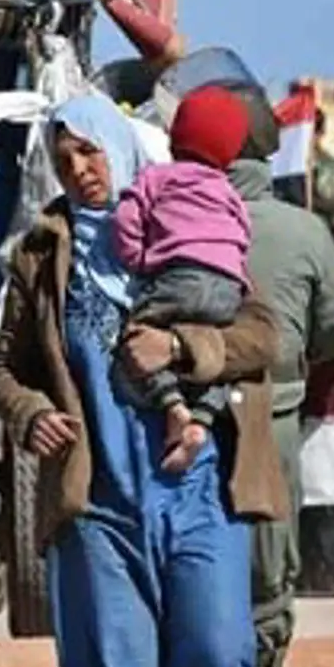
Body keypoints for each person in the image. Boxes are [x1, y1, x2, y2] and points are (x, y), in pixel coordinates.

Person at [0, 92, 287, 667]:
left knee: (218, 649)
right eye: (65, 157)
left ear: (120, 149)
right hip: (101, 499)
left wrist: (183, 347)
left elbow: (263, 337)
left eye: (90, 151)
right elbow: (5, 363)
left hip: (199, 492)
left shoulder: (181, 215)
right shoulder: (41, 252)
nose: (81, 170)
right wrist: (29, 412)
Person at [228, 142, 334, 667]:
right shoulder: (305, 230)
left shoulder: (173, 214)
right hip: (272, 416)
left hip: (187, 414)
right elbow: (332, 327)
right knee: (269, 564)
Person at [113, 86, 255, 472]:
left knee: (137, 338)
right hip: (227, 284)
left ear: (175, 137)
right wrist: (240, 283)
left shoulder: (158, 176)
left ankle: (173, 408)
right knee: (224, 357)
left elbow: (127, 216)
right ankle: (204, 419)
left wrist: (139, 258)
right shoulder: (229, 192)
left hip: (179, 274)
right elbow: (242, 234)